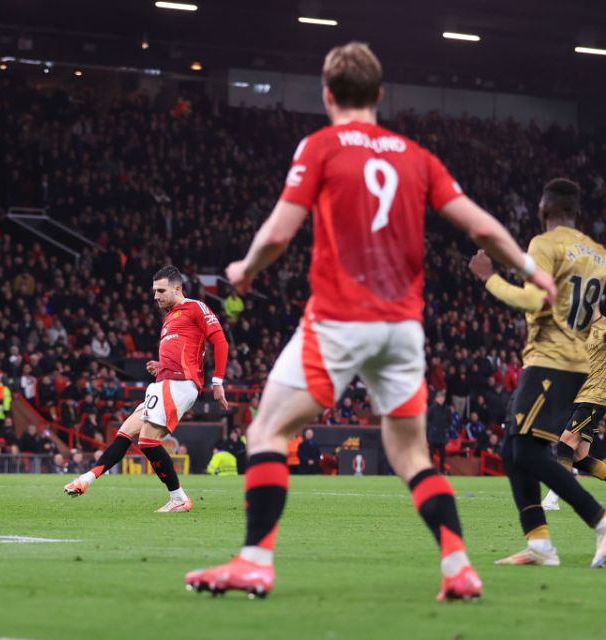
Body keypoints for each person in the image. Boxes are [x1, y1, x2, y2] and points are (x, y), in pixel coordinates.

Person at [186, 42, 554, 601]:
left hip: (338, 318)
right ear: (381, 95)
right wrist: (530, 268)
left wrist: (244, 268)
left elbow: (281, 232)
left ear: (327, 95)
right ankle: (458, 567)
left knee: (267, 431)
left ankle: (255, 562)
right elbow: (479, 225)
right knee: (411, 456)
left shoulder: (322, 146)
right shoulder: (415, 156)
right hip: (402, 328)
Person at [469, 177, 606, 567]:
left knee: (527, 450)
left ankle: (599, 520)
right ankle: (540, 543)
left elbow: (532, 298)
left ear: (543, 209)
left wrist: (488, 277)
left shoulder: (544, 244)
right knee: (513, 449)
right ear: (576, 212)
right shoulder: (598, 253)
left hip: (551, 359)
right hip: (578, 362)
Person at [63, 265, 229, 512]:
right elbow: (184, 350)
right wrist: (161, 365)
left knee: (148, 441)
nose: (156, 296)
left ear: (177, 289)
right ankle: (85, 480)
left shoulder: (195, 307)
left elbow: (220, 340)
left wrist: (217, 382)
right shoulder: (169, 317)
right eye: (154, 291)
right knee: (125, 431)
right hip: (164, 381)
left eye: (161, 291)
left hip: (181, 384)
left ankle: (179, 498)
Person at [542, 314, 606, 511]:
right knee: (580, 457)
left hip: (595, 396)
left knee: (566, 442)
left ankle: (554, 497)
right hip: (581, 397)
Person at [427, 391, 450, 473]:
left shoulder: (447, 409)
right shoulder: (432, 409)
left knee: (442, 455)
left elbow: (449, 421)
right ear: (436, 399)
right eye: (439, 398)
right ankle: (429, 470)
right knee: (431, 454)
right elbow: (427, 420)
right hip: (433, 435)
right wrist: (432, 429)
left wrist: (445, 429)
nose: (441, 399)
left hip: (442, 435)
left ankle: (442, 470)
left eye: (442, 398)